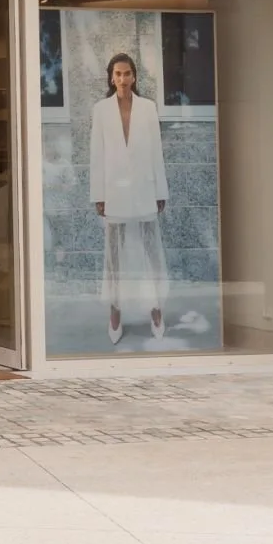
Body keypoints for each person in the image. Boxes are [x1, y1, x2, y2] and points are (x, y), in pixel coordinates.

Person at [89, 53, 169, 344]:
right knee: (114, 257)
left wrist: (161, 191)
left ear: (134, 77)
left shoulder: (148, 108)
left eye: (127, 73)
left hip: (145, 189)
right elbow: (97, 155)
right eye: (117, 74)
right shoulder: (101, 110)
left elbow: (156, 151)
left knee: (151, 252)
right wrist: (99, 194)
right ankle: (115, 312)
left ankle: (156, 309)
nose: (122, 79)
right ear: (111, 77)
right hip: (114, 191)